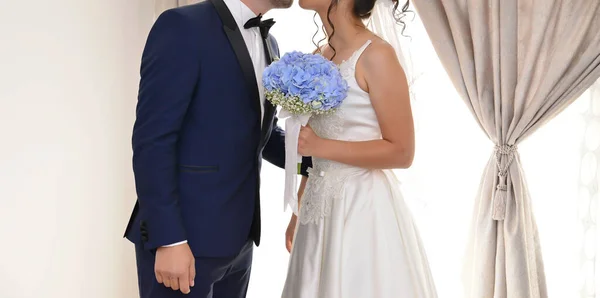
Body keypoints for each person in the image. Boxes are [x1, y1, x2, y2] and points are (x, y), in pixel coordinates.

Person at [122, 0, 311, 296]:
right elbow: (152, 141)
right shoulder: (182, 26)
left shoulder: (270, 43)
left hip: (240, 242)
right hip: (184, 240)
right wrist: (169, 239)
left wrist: (324, 157)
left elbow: (259, 133)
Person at [281, 0, 438, 297]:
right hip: (317, 207)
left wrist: (321, 146)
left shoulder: (377, 55)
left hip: (361, 205)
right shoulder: (320, 56)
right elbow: (313, 150)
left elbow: (402, 152)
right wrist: (298, 211)